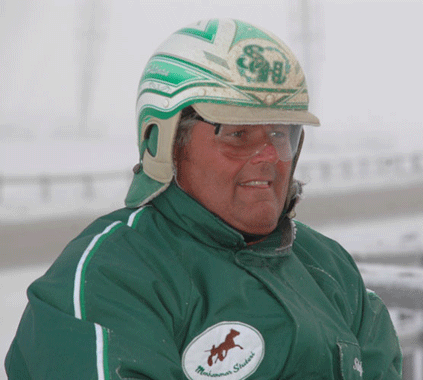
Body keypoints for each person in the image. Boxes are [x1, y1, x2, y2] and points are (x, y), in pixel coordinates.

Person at [5, 18, 402, 379]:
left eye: (280, 134)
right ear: (165, 142)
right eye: (237, 134)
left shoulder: (328, 266)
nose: (268, 156)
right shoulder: (112, 274)